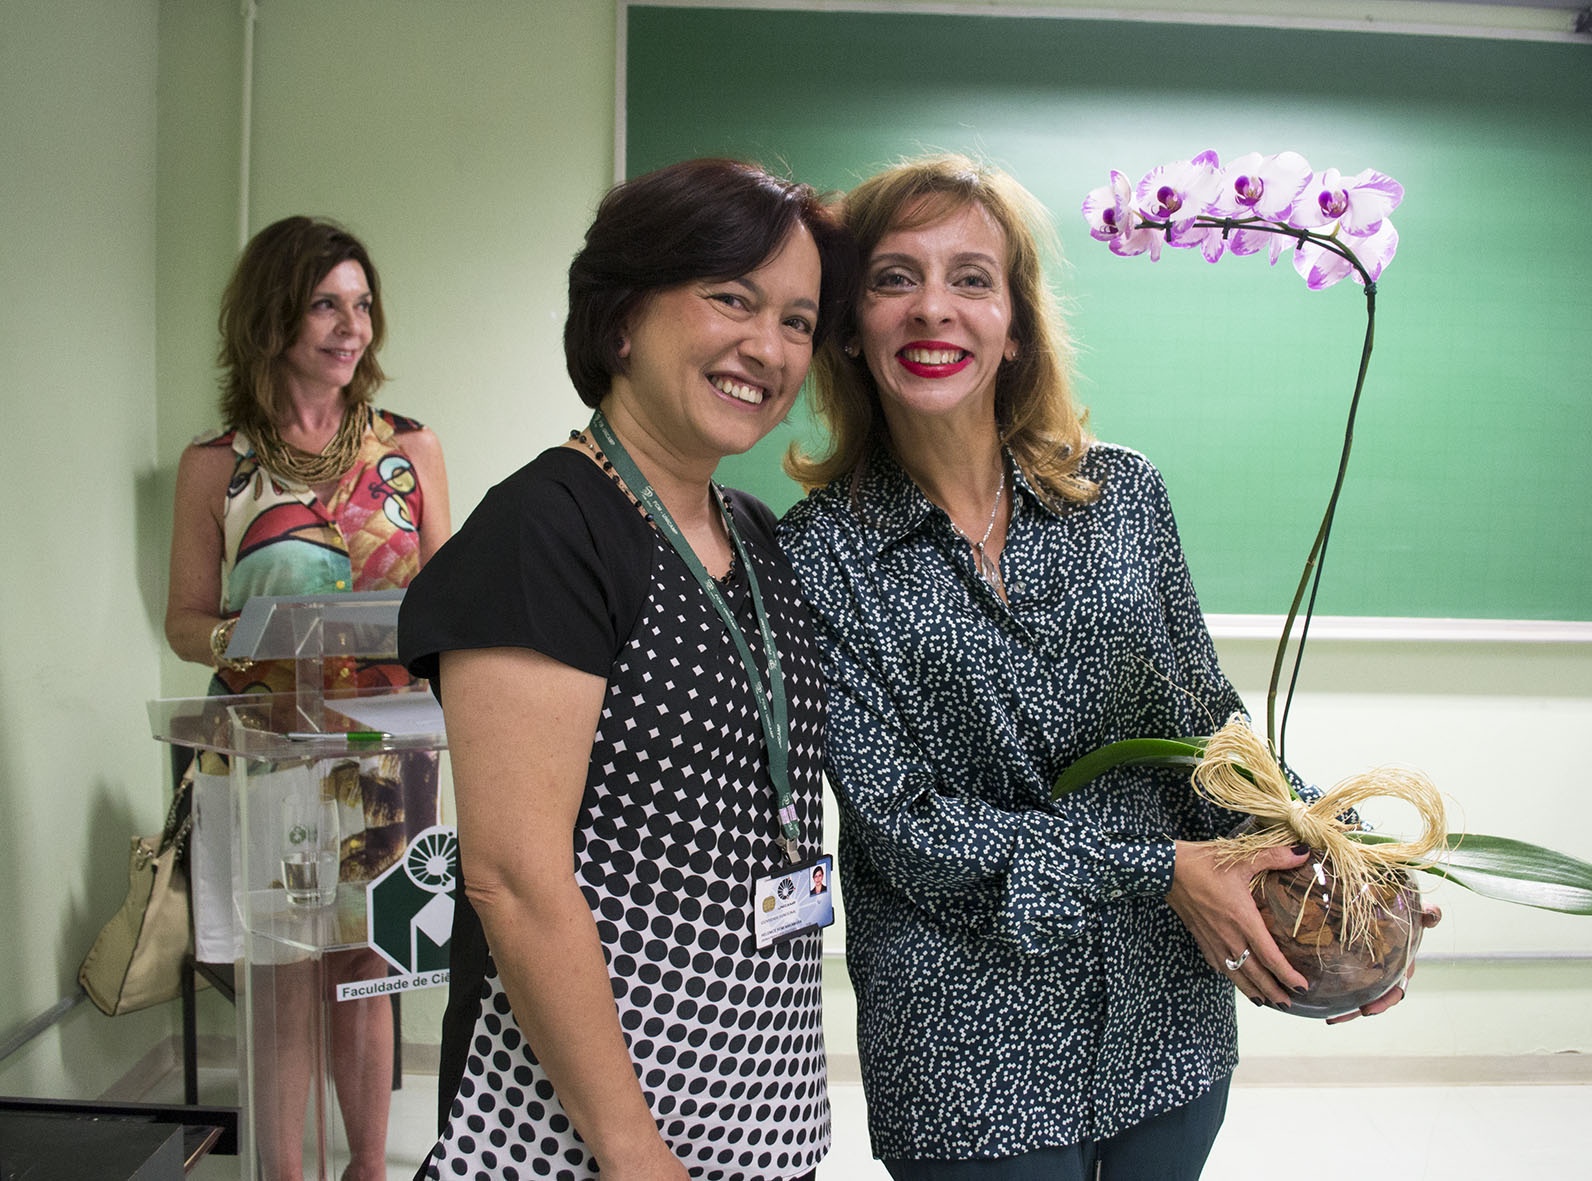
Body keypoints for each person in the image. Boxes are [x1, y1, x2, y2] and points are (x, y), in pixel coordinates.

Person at [777, 155, 1431, 1181]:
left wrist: (1335, 859)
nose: (931, 310)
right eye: (893, 278)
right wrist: (1161, 868)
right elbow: (901, 822)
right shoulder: (814, 557)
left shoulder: (1122, 495)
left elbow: (1205, 727)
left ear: (1017, 324)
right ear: (850, 326)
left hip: (1165, 1013)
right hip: (966, 1042)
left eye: (971, 278)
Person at [398, 158, 857, 1180]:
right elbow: (512, 878)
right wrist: (629, 1146)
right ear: (620, 319)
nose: (766, 347)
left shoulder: (755, 535)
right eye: (729, 298)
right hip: (584, 1133)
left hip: (755, 1105)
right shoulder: (548, 529)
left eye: (795, 320)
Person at [165, 215, 451, 1181]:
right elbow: (183, 619)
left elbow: (443, 599)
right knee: (282, 976)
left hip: (387, 748)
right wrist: (249, 643)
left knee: (368, 967)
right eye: (326, 303)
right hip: (262, 747)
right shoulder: (217, 464)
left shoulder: (411, 449)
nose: (350, 325)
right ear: (272, 314)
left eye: (361, 304)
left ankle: (369, 1169)